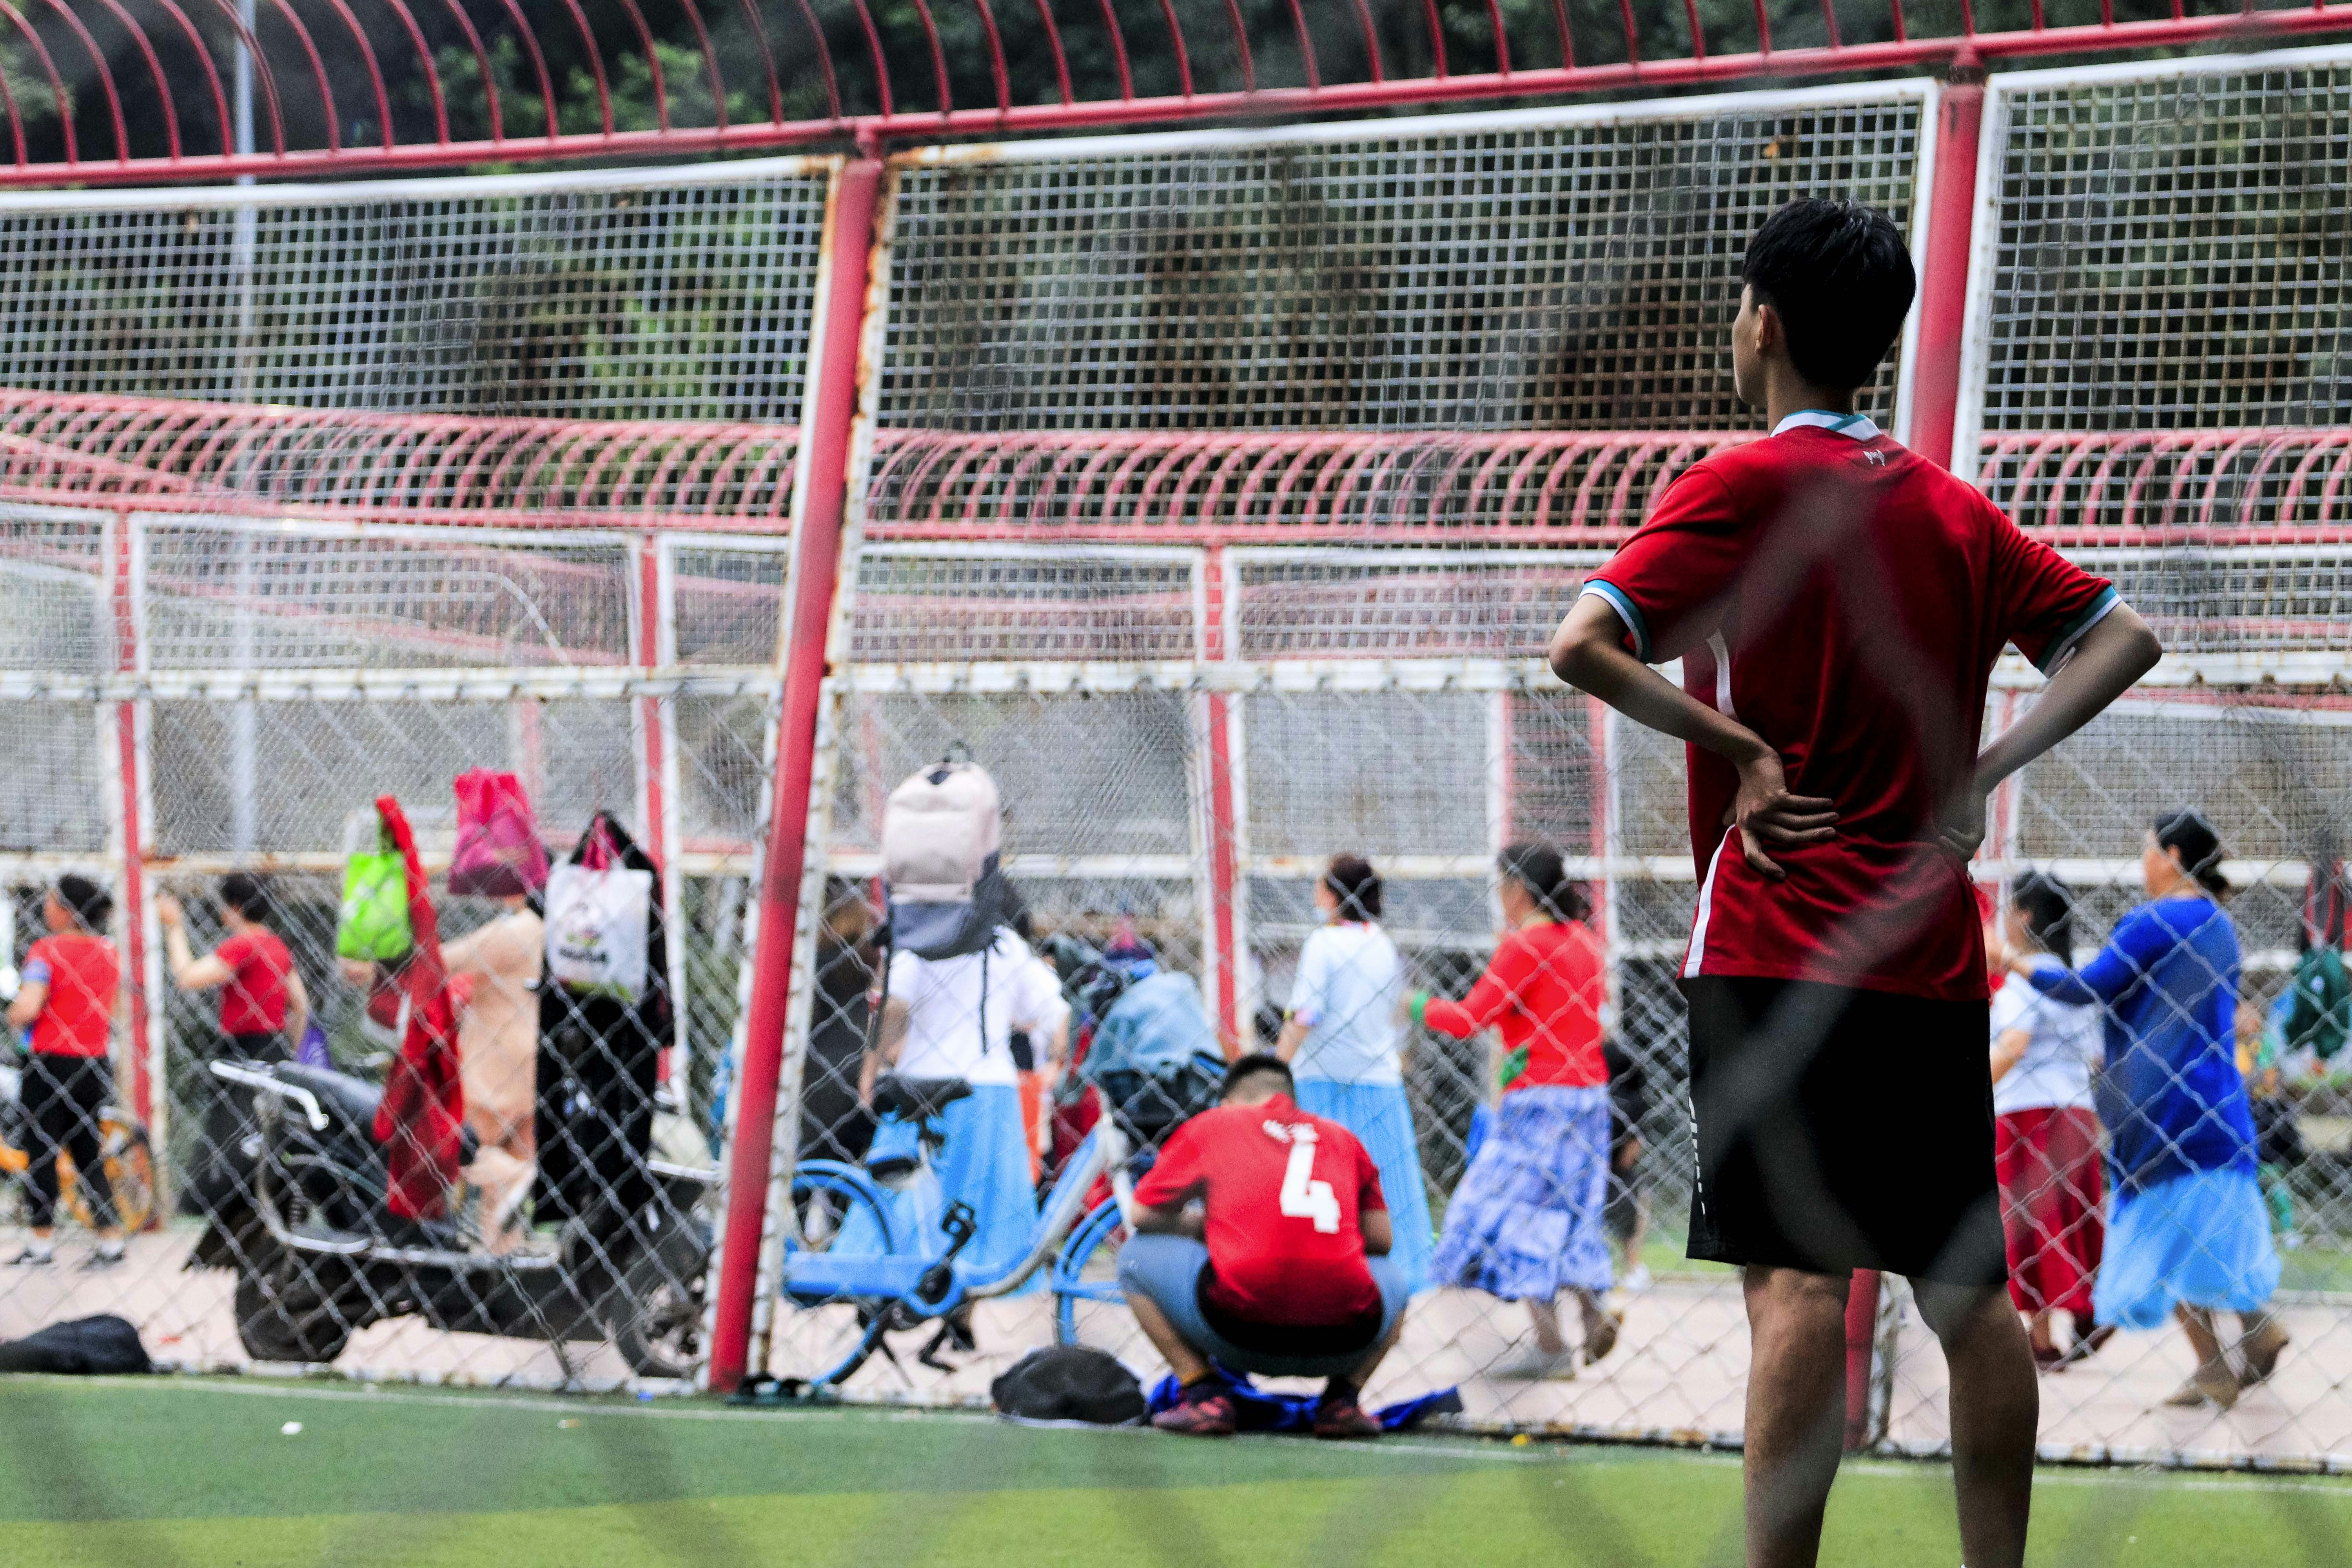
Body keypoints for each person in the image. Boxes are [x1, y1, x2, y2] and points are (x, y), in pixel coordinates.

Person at [1548, 197, 2160, 1568]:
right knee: (1968, 1295)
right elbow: (2124, 636)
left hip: (1773, 946)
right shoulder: (1952, 510)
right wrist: (1984, 768)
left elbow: (1582, 642)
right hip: (1928, 957)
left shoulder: (1740, 486)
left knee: (1795, 1289)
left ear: (1761, 319)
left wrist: (1734, 744)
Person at [2013, 812, 2287, 1410]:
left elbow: (2086, 987)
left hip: (2161, 1111)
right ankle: (2241, 1343)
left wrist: (2012, 960)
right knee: (2201, 1233)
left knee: (2169, 1236)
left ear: (2171, 854)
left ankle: (2225, 1356)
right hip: (2218, 1104)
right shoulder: (2217, 924)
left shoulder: (2155, 920)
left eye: (2146, 849)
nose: (2143, 862)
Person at [1413, 843, 1619, 1379]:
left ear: (1519, 888)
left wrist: (1413, 1004)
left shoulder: (1526, 944)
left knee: (1512, 1216)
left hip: (1538, 1101)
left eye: (1502, 885)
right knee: (1569, 1211)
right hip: (1588, 1096)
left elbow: (1468, 1018)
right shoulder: (1583, 942)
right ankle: (1592, 1317)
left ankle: (1551, 1347)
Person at [1120, 1053, 1405, 1439]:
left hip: (1237, 1333)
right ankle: (1343, 1400)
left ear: (1228, 1102)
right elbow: (1381, 1240)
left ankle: (1205, 1393)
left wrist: (1205, 1225)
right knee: (1395, 1277)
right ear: (1293, 1100)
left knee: (1136, 1256)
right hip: (1347, 1338)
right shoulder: (1341, 1137)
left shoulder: (1215, 1125)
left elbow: (1142, 1214)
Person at [854, 918, 1070, 1312]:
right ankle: (972, 1307)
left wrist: (872, 1065)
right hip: (990, 1086)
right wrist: (1052, 1069)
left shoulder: (920, 930)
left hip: (922, 1082)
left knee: (905, 1197)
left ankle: (895, 1294)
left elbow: (895, 1005)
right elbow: (1054, 1011)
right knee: (986, 1214)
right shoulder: (1005, 943)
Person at [1273, 855, 1434, 1292]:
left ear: (1333, 893)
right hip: (1378, 1078)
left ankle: (1321, 1270)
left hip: (1322, 1078)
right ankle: (1404, 1274)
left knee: (1320, 1181)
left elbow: (1305, 1012)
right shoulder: (1380, 942)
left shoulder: (1323, 943)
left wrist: (1275, 1065)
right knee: (1390, 1182)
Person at [1985, 872, 2108, 1370]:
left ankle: (2041, 1330)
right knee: (2067, 1215)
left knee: (2027, 1221)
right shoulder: (2074, 979)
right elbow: (2096, 1056)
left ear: (2026, 916)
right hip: (2076, 1109)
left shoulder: (2025, 977)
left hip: (2027, 1112)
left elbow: (2013, 1045)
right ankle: (2084, 1310)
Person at [6, 875, 123, 1269]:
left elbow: (28, 1006)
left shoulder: (46, 951)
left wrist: (13, 1015)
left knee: (42, 1150)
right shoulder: (108, 952)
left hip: (49, 1061)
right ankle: (111, 1241)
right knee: (88, 1150)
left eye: (53, 901)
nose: (46, 907)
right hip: (92, 1061)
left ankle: (41, 1244)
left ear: (68, 910)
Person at [437, 892, 544, 1246]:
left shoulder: (519, 928)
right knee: (501, 1194)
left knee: (458, 1153)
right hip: (534, 1072)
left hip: (495, 1068)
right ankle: (502, 1265)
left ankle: (529, 1176)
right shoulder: (559, 931)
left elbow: (445, 960)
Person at [158, 873, 308, 1058]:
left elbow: (187, 976)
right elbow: (300, 1004)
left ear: (235, 907)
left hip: (244, 1047)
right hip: (274, 1044)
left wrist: (174, 925)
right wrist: (293, 1050)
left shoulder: (243, 945)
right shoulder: (277, 945)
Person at [1602, 1036, 1653, 1293]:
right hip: (1619, 1172)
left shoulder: (1597, 1096)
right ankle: (1633, 1267)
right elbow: (1630, 1153)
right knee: (1637, 1201)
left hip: (1590, 1169)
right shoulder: (1637, 1103)